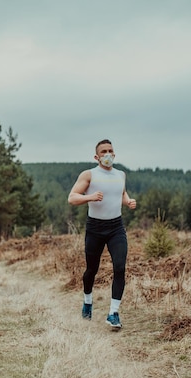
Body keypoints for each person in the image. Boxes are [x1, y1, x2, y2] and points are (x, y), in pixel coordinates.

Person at [67, 139, 137, 329]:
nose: (108, 154)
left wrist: (128, 201)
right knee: (92, 269)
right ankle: (88, 301)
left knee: (120, 267)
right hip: (95, 228)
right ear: (96, 157)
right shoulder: (89, 174)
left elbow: (120, 194)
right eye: (104, 151)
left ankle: (113, 313)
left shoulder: (121, 174)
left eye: (111, 151)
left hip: (116, 228)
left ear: (114, 154)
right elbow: (72, 198)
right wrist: (90, 197)